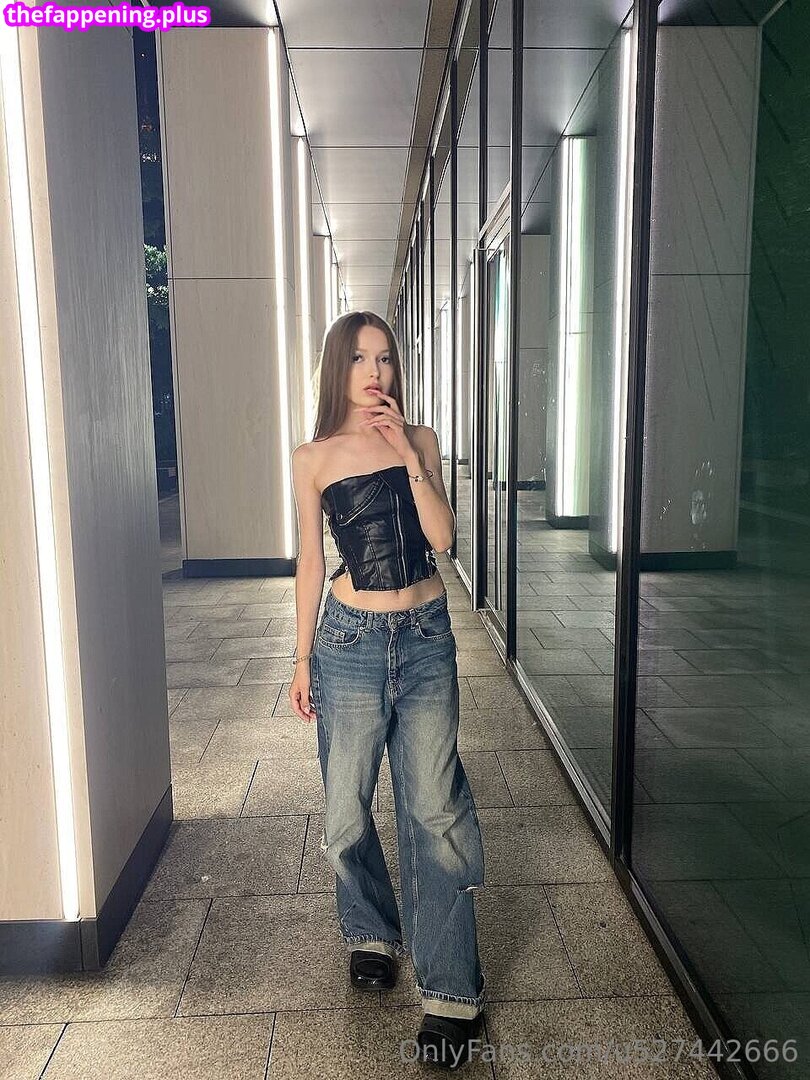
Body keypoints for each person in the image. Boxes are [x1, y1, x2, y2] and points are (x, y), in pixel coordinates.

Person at [289, 310, 487, 1070]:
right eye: (359, 359)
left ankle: (451, 992)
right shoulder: (314, 457)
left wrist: (408, 456)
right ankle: (371, 931)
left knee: (435, 808)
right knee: (346, 806)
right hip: (349, 643)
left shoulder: (422, 441)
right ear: (337, 369)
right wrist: (301, 659)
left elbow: (443, 538)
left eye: (385, 359)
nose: (375, 373)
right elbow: (312, 562)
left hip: (427, 635)